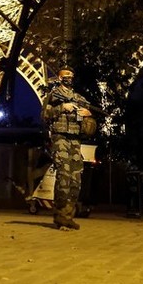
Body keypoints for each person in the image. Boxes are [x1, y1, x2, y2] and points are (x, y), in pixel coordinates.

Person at [41, 67, 94, 230]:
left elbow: (87, 122)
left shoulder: (79, 98)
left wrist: (87, 114)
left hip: (75, 140)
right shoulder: (53, 95)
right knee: (64, 176)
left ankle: (68, 215)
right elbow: (44, 115)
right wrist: (62, 108)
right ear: (59, 77)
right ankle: (60, 216)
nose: (69, 78)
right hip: (60, 138)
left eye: (71, 75)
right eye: (66, 75)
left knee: (76, 178)